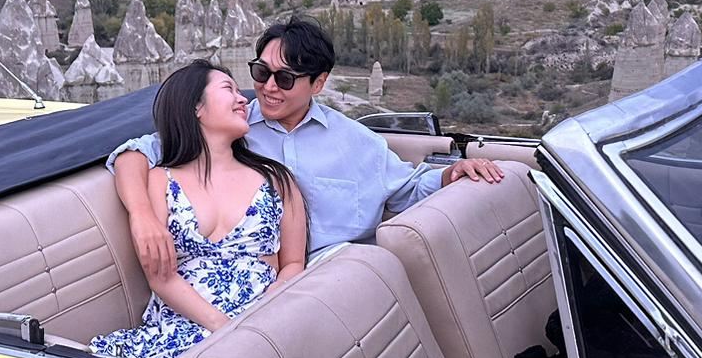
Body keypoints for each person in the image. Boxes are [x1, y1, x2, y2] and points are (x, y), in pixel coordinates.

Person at [109, 14, 504, 281]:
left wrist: (453, 174)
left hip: (342, 281)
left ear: (318, 84)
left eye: (285, 79)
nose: (266, 87)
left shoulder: (356, 141)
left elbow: (409, 191)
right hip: (264, 287)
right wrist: (142, 216)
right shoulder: (230, 128)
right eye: (260, 73)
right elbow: (132, 154)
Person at [90, 60, 307, 358]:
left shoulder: (277, 180)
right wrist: (223, 328)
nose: (243, 98)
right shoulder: (159, 180)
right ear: (196, 107)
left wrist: (264, 317)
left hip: (262, 320)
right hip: (183, 323)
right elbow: (160, 277)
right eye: (228, 89)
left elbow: (294, 262)